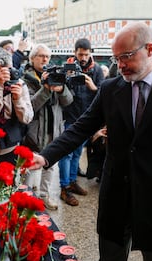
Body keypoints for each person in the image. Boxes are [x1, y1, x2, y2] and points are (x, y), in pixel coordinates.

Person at [29, 21, 152, 261]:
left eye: (126, 56)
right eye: (116, 58)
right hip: (115, 192)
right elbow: (81, 127)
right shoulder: (110, 88)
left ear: (149, 49)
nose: (120, 64)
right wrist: (45, 157)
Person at [21, 44, 74, 210]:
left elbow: (68, 101)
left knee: (50, 166)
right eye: (41, 56)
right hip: (34, 133)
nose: (45, 59)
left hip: (54, 129)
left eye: (47, 57)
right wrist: (45, 89)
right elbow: (30, 106)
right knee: (30, 167)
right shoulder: (26, 79)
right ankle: (25, 198)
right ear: (32, 58)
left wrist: (61, 89)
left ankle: (44, 195)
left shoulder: (56, 77)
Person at [58, 38, 105, 206]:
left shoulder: (97, 70)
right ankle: (64, 187)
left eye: (86, 54)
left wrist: (93, 87)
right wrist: (67, 78)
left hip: (87, 119)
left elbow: (103, 94)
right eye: (80, 54)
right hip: (69, 117)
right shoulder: (67, 67)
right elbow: (60, 92)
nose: (83, 57)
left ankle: (72, 181)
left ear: (90, 53)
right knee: (67, 153)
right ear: (75, 52)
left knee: (77, 153)